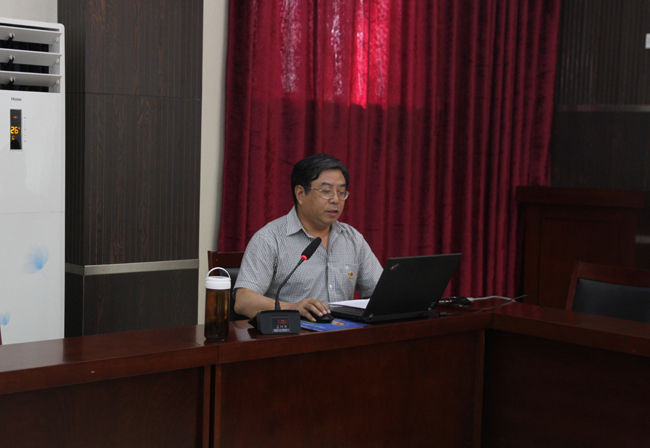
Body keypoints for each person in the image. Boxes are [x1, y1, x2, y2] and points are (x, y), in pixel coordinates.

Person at [233, 153, 383, 322]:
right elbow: (243, 301)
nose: (335, 199)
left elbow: (382, 293)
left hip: (342, 333)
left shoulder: (352, 239)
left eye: (341, 192)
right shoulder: (270, 239)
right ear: (300, 193)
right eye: (326, 191)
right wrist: (292, 308)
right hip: (292, 334)